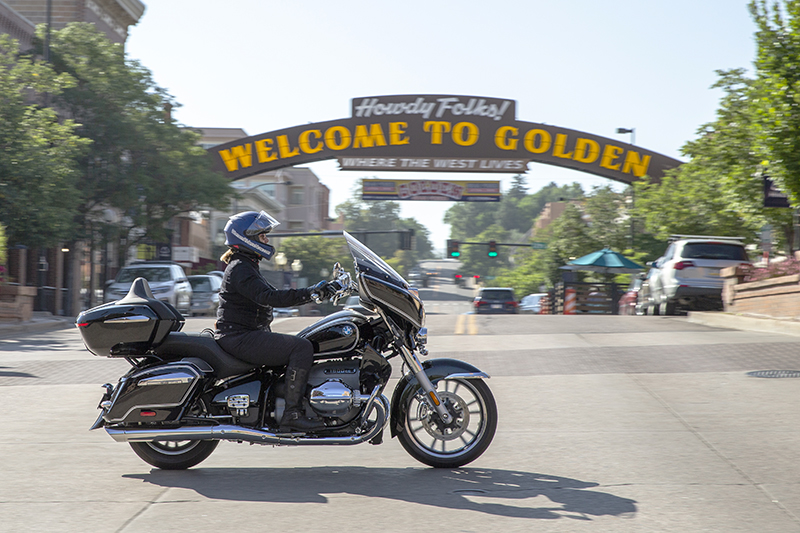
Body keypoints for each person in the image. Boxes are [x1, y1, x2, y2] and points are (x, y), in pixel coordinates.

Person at [214, 210, 338, 432]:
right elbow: (270, 297)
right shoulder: (241, 269)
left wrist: (321, 290)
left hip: (244, 334)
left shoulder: (246, 265)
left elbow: (271, 294)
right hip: (239, 338)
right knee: (301, 348)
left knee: (304, 340)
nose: (267, 240)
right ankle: (292, 414)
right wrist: (311, 293)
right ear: (247, 238)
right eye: (262, 236)